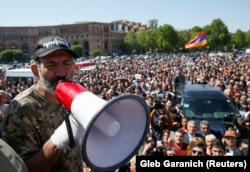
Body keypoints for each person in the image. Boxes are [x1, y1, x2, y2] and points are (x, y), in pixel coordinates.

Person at [2, 35, 88, 171]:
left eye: (66, 63)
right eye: (51, 65)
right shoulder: (22, 109)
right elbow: (23, 168)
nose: (61, 72)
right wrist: (59, 140)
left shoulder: (73, 97)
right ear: (35, 71)